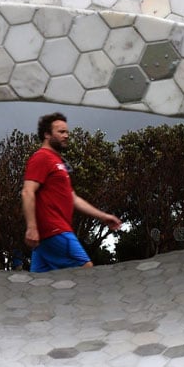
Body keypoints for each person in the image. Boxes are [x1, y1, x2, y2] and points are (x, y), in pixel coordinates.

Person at [21, 113, 122, 272]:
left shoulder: (57, 162)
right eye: (61, 132)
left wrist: (103, 216)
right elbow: (27, 191)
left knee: (39, 289)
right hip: (55, 230)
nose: (66, 136)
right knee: (86, 271)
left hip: (47, 237)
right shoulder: (41, 157)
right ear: (47, 134)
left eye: (67, 132)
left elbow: (73, 198)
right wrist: (32, 227)